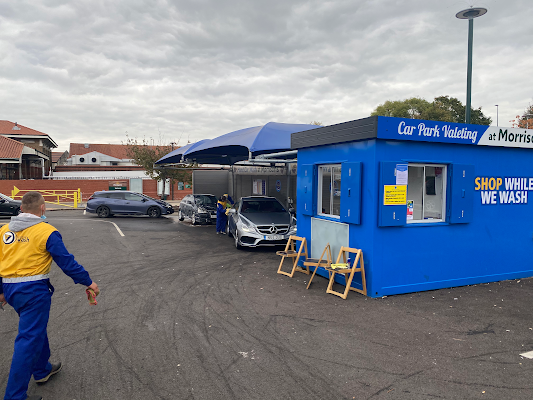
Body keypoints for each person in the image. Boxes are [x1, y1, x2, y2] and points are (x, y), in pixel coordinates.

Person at [0, 192, 99, 400]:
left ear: (21, 209)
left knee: (34, 329)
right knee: (27, 339)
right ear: (43, 208)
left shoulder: (4, 230)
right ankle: (14, 396)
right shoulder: (46, 231)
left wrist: (1, 291)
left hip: (11, 290)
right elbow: (67, 263)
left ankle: (42, 370)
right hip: (33, 291)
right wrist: (89, 282)